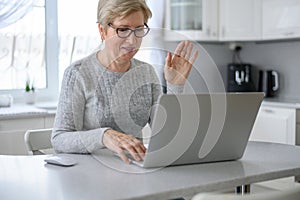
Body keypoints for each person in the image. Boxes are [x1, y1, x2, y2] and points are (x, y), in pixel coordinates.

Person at [52, 0, 198, 164]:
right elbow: (59, 138)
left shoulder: (146, 72)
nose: (132, 41)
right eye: (123, 30)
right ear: (102, 31)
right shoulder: (78, 73)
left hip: (136, 170)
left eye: (139, 29)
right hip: (90, 175)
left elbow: (166, 132)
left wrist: (175, 86)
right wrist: (104, 136)